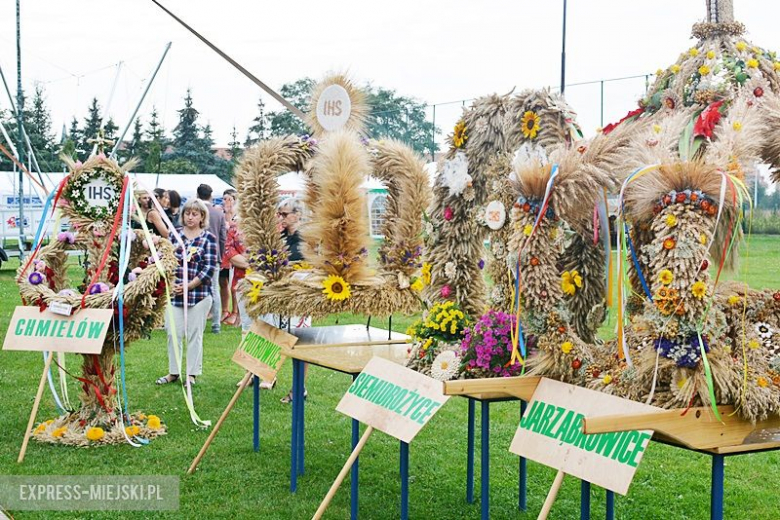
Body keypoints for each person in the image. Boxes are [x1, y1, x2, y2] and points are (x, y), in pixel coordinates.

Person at [156, 199, 218, 388]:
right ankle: (173, 372)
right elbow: (165, 262)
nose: (190, 217)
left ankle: (191, 373)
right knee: (173, 333)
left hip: (198, 296)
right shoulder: (174, 236)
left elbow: (209, 268)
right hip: (174, 294)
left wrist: (189, 286)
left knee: (194, 334)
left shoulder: (209, 239)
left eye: (195, 214)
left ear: (202, 217)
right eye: (187, 213)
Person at [197, 184, 227, 334]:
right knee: (214, 289)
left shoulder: (195, 212)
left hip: (197, 255)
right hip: (214, 256)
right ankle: (216, 324)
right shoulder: (218, 214)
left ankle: (198, 322)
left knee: (197, 288)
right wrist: (220, 257)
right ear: (211, 195)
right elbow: (223, 238)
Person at [219, 189, 238, 324]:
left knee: (234, 284)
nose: (226, 202)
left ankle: (235, 312)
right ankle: (225, 309)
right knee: (222, 282)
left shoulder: (238, 216)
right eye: (224, 199)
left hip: (235, 252)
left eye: (229, 199)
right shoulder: (220, 214)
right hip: (222, 251)